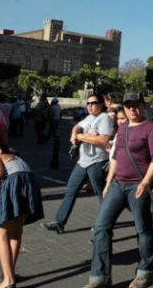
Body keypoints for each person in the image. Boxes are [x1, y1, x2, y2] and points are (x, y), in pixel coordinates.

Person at [83, 91, 153, 288]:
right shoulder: (123, 126)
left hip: (138, 184)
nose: (132, 109)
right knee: (101, 227)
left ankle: (146, 271)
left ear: (143, 106)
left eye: (136, 105)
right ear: (124, 107)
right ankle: (99, 277)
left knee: (143, 228)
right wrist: (109, 182)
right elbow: (116, 156)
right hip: (118, 184)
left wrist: (145, 183)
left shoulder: (150, 127)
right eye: (128, 105)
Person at [42, 94, 113, 234]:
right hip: (82, 162)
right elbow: (76, 127)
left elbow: (103, 140)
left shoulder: (104, 118)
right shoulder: (88, 118)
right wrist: (74, 134)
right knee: (70, 190)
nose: (90, 106)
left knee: (101, 194)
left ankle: (105, 225)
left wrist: (81, 136)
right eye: (88, 103)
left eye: (94, 103)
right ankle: (59, 222)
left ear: (101, 104)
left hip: (97, 162)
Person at [0, 142, 44, 288]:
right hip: (29, 185)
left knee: (1, 234)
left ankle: (8, 281)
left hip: (14, 184)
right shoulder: (16, 158)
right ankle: (9, 272)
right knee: (16, 234)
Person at [49, 97, 63, 169]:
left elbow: (51, 114)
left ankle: (53, 135)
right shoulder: (59, 106)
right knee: (56, 128)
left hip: (54, 119)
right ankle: (54, 134)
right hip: (57, 119)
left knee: (53, 128)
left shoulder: (53, 107)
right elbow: (60, 113)